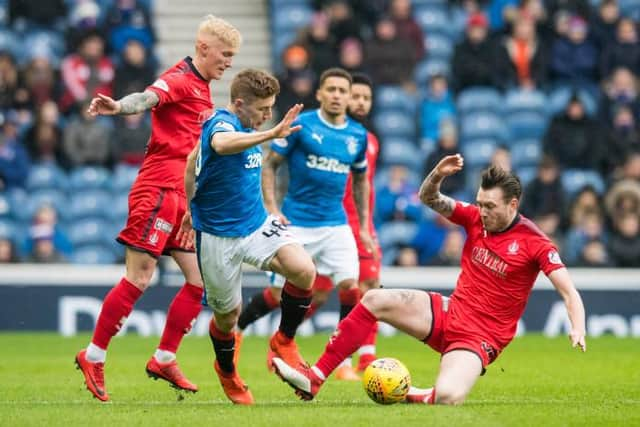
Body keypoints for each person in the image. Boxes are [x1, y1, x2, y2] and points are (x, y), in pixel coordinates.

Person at [272, 155, 587, 405]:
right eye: (480, 203)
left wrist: (577, 326)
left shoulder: (535, 242)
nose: (483, 211)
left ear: (512, 205)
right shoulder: (475, 217)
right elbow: (428, 197)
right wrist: (437, 174)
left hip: (480, 338)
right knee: (373, 299)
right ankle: (315, 377)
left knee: (449, 396)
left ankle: (407, 393)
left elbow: (569, 292)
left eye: (490, 206)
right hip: (449, 311)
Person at [74, 15, 241, 402]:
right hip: (158, 189)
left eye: (233, 56)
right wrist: (117, 107)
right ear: (203, 48)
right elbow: (148, 97)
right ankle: (93, 355)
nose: (229, 62)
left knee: (200, 282)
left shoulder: (201, 88)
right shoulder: (180, 79)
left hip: (182, 195)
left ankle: (164, 357)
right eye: (225, 54)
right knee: (140, 276)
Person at [178, 69, 316, 405]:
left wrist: (188, 203)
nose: (268, 115)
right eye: (262, 109)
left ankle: (283, 341)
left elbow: (192, 160)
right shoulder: (221, 123)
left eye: (271, 108)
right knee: (228, 318)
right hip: (218, 236)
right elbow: (219, 145)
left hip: (256, 224)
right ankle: (226, 371)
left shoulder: (252, 126)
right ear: (240, 103)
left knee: (304, 270)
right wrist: (270, 132)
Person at [235, 71, 378, 378]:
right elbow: (270, 165)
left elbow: (361, 180)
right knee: (277, 296)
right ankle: (239, 328)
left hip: (335, 224)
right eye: (332, 89)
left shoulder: (357, 135)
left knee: (351, 289)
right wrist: (271, 209)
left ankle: (338, 360)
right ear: (321, 94)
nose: (338, 95)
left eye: (343, 90)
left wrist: (364, 227)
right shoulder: (303, 126)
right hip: (296, 222)